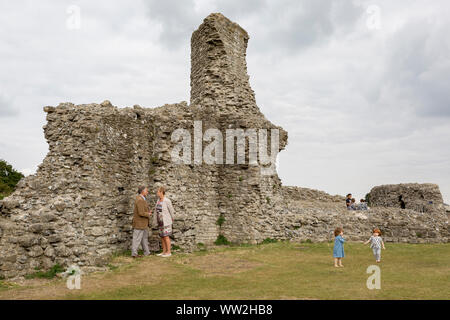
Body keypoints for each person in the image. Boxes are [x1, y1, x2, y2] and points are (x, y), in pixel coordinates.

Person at [131, 186, 152, 258]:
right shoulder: (140, 199)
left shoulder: (143, 199)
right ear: (142, 191)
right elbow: (140, 212)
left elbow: (143, 210)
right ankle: (134, 254)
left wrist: (148, 212)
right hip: (139, 223)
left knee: (144, 238)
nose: (147, 192)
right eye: (146, 190)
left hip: (144, 223)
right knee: (136, 239)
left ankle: (147, 252)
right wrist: (148, 214)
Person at [154, 186, 175, 257]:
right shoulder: (158, 200)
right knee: (162, 237)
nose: (157, 193)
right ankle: (164, 251)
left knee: (166, 236)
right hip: (160, 222)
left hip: (166, 222)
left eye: (158, 192)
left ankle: (169, 252)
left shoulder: (167, 200)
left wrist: (172, 218)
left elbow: (171, 210)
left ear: (161, 192)